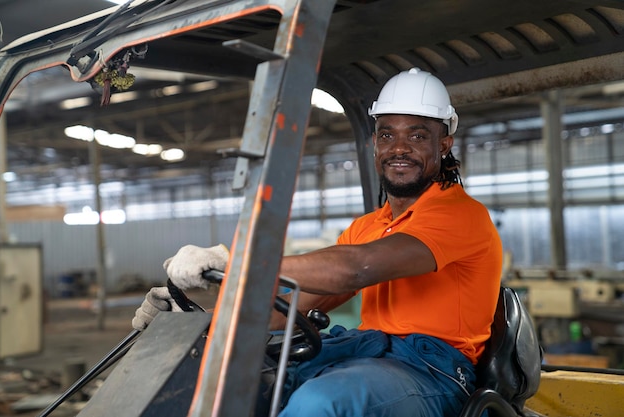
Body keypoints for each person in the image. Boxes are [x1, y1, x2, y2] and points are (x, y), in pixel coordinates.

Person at [132, 67, 503, 417]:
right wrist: (200, 324)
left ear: (444, 144)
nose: (399, 148)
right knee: (239, 385)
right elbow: (287, 311)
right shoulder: (368, 227)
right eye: (388, 135)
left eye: (417, 135)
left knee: (320, 402)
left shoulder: (461, 215)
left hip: (431, 372)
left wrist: (235, 260)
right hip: (368, 352)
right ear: (375, 144)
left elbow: (354, 270)